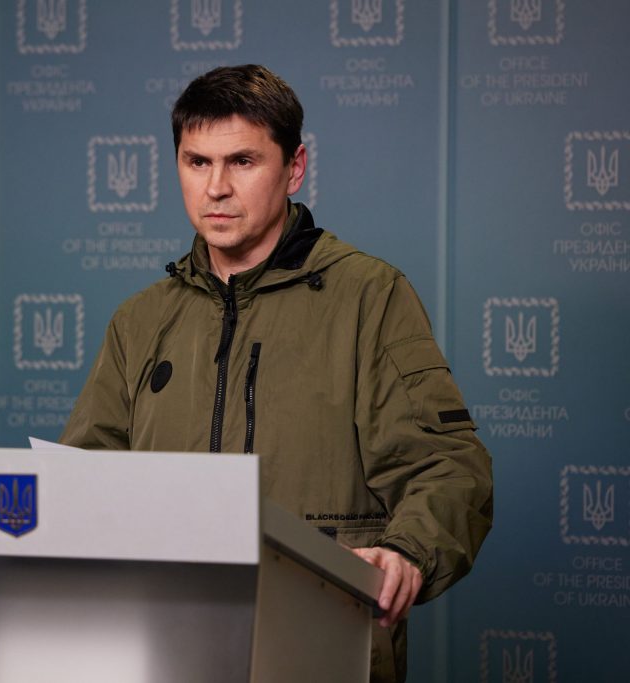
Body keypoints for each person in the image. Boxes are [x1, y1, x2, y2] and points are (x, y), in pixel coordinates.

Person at [60, 64, 492, 682]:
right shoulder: (140, 320)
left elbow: (448, 467)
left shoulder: (369, 297)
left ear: (294, 167)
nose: (215, 188)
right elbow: (83, 484)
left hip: (324, 649)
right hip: (165, 651)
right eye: (197, 162)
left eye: (242, 161)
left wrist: (406, 552)